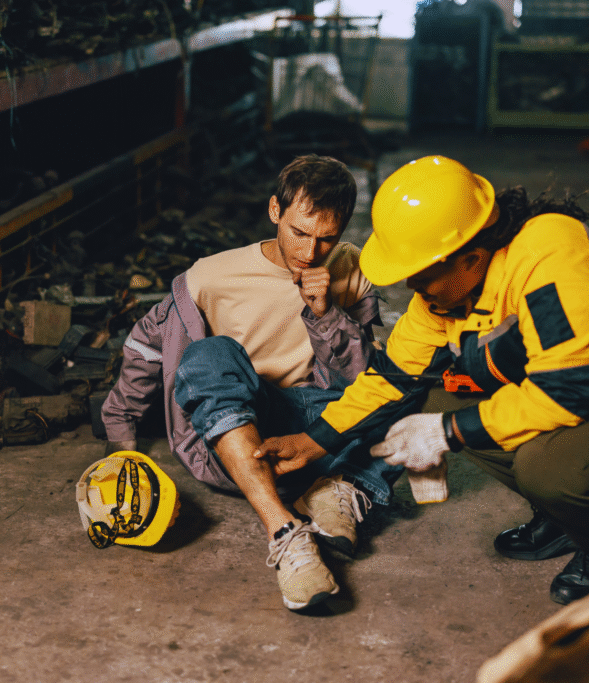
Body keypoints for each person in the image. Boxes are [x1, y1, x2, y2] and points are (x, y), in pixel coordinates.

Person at [255, 155, 589, 605]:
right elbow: (391, 378)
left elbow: (567, 391)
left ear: (469, 254)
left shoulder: (550, 254)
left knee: (539, 465)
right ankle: (564, 520)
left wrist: (446, 432)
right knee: (477, 427)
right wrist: (312, 440)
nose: (411, 288)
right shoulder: (443, 293)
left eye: (420, 274)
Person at [100, 154, 402, 611]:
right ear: (275, 212)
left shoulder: (350, 270)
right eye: (299, 232)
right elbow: (145, 348)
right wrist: (121, 438)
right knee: (208, 354)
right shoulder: (211, 276)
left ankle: (340, 491)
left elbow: (362, 379)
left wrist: (325, 315)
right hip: (241, 436)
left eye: (327, 239)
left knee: (407, 384)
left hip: (320, 434)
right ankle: (285, 532)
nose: (309, 252)